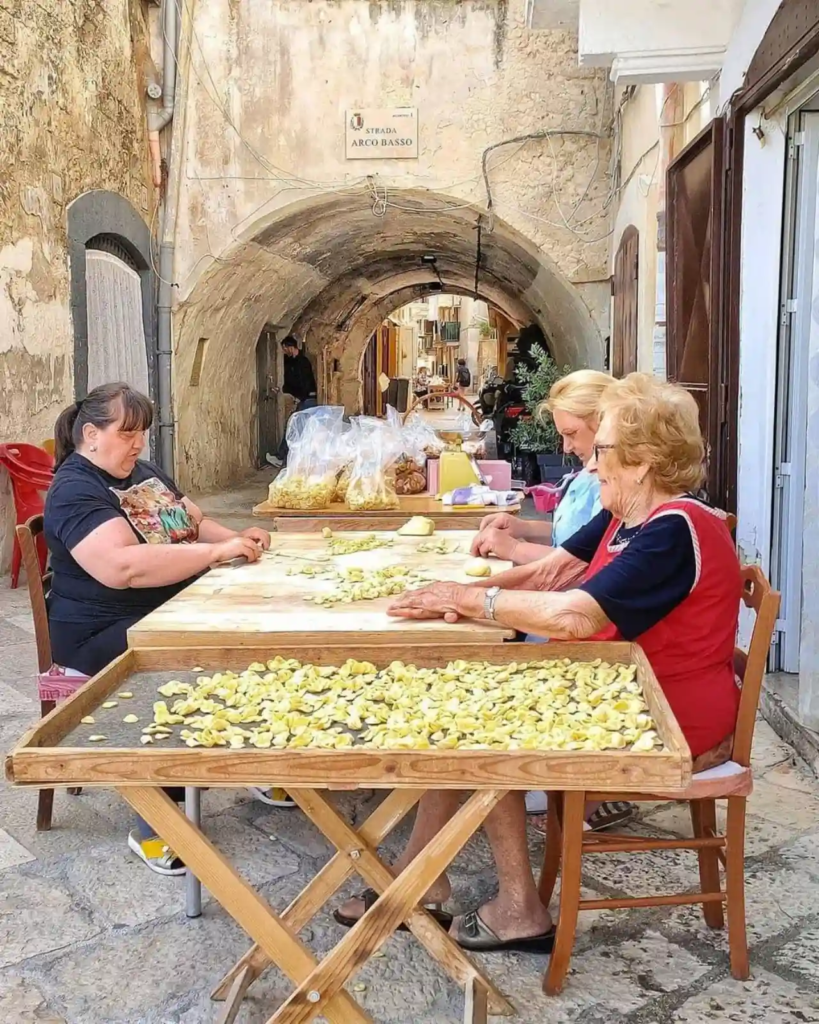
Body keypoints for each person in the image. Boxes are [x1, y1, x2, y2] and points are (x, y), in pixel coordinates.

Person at [336, 373, 741, 952]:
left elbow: (577, 616)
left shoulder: (674, 529)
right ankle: (419, 880)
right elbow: (554, 571)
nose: (590, 462)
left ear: (642, 462)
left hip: (668, 717)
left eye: (600, 449)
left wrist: (471, 600)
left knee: (486, 732)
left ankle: (516, 909)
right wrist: (453, 594)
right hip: (621, 690)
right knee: (464, 704)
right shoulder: (630, 514)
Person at [44, 383, 272, 874]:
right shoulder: (74, 489)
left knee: (257, 638)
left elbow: (192, 522)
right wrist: (213, 555)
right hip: (99, 631)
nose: (138, 444)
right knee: (189, 661)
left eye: (142, 433)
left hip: (163, 610)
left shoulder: (140, 473)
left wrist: (235, 538)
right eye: (127, 433)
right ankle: (156, 822)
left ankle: (252, 760)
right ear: (91, 434)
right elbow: (121, 567)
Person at [469, 369, 633, 830]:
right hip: (574, 619)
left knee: (478, 669)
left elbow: (577, 571)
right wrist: (520, 529)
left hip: (578, 641)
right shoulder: (595, 481)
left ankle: (529, 776)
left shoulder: (634, 504)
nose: (565, 448)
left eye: (573, 435)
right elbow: (574, 542)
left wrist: (505, 561)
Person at [267, 336, 318, 468]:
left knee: (293, 428)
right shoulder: (292, 362)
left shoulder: (303, 362)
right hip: (304, 399)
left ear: (291, 347)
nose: (284, 352)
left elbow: (305, 383)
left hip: (307, 400)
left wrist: (299, 397)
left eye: (285, 349)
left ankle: (281, 457)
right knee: (298, 428)